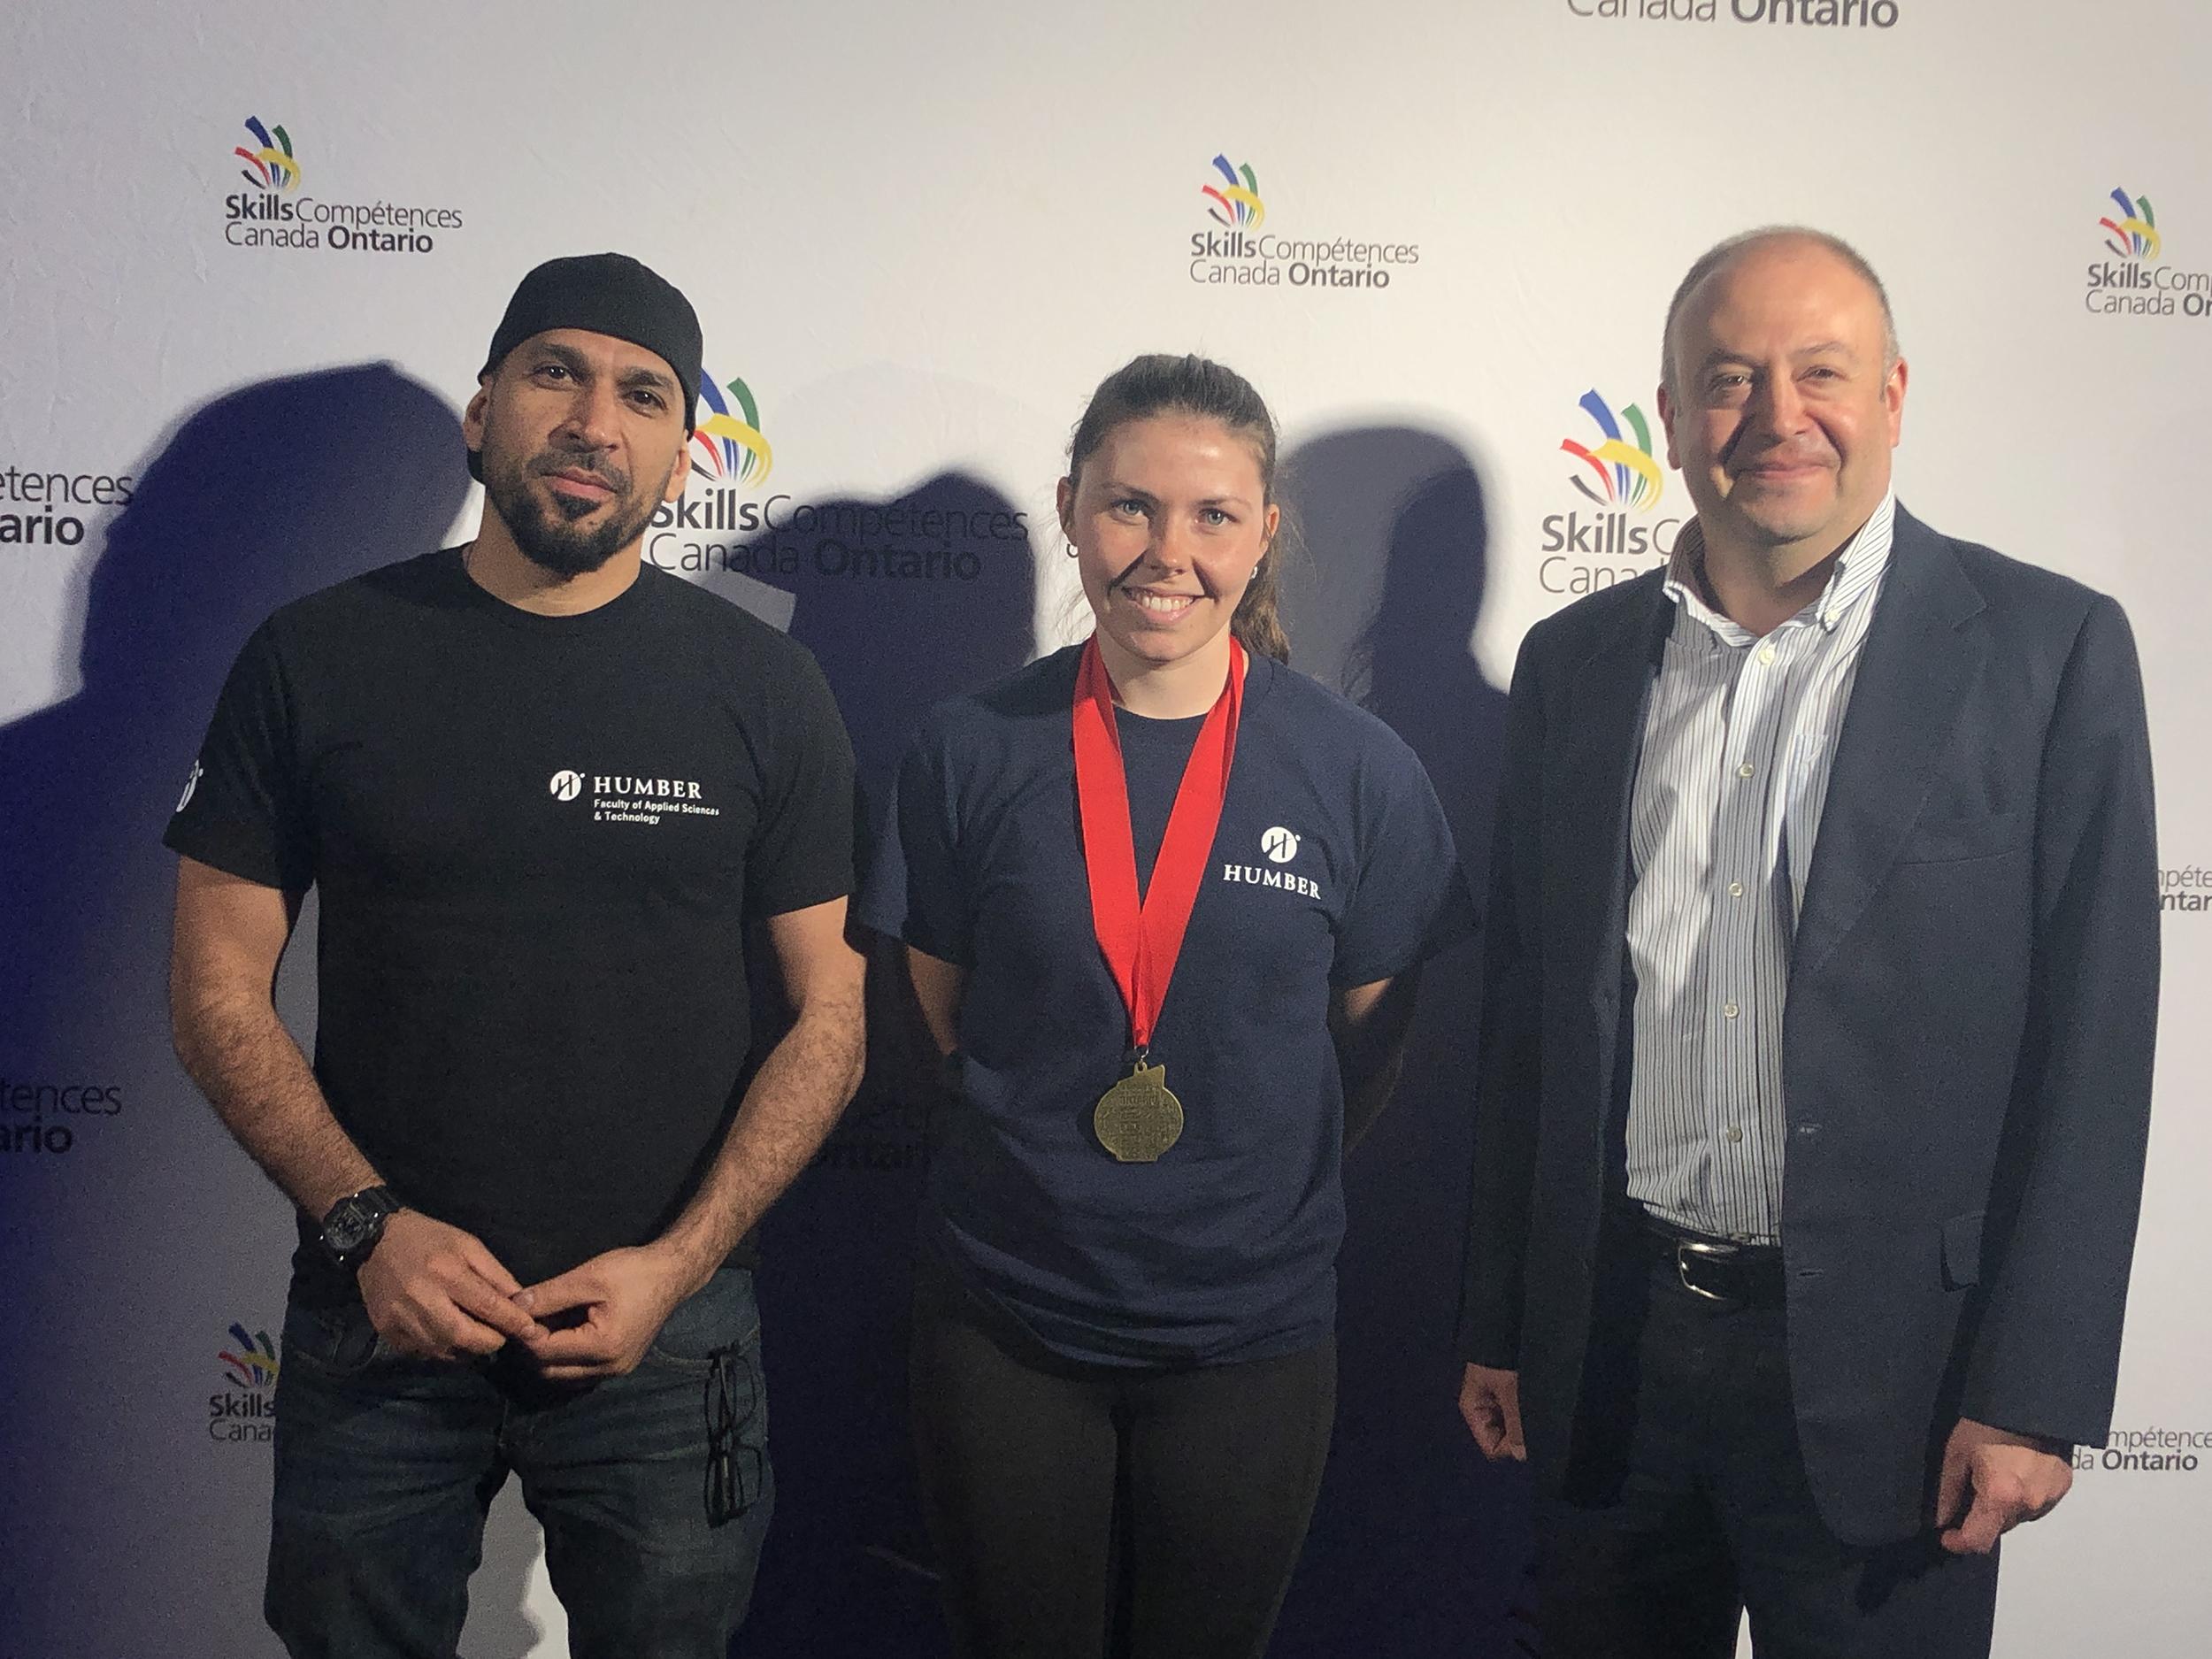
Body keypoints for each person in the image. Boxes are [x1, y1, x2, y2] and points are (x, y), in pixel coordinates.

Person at [1455, 227, 2160, 1657]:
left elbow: (2098, 1053)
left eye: (1820, 373)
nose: (1778, 419)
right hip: (1614, 1358)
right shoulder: (1573, 668)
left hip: (1899, 1393)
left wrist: (2031, 1389)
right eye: (1728, 379)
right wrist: (1502, 1316)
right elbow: (1528, 1018)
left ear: (1893, 395)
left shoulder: (2047, 651)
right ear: (1671, 421)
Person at [165, 251, 866, 1659]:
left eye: (643, 393)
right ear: (481, 412)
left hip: (668, 1335)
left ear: (684, 452)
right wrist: (368, 1229)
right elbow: (213, 991)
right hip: (379, 1316)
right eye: (557, 370)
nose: (594, 418)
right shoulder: (315, 657)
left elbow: (833, 1017)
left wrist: (679, 1263)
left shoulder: (768, 690)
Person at [860, 354, 1469, 1659]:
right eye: (1131, 507)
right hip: (1008, 1319)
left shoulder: (1358, 770)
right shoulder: (969, 749)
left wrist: (1242, 1177)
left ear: (1264, 534)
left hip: (1249, 1336)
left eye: (1211, 516)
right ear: (1074, 507)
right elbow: (940, 1020)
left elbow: (1373, 1042)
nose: (1167, 553)